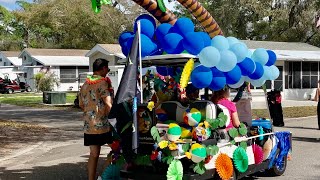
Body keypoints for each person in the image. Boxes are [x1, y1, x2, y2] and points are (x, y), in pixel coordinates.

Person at [79, 58, 113, 180]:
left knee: (94, 154)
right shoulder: (102, 83)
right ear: (103, 68)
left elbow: (81, 104)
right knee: (117, 149)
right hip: (103, 125)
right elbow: (108, 103)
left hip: (89, 125)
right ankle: (106, 175)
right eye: (107, 69)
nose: (107, 72)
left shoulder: (85, 84)